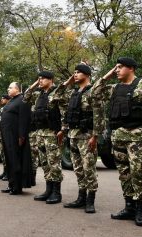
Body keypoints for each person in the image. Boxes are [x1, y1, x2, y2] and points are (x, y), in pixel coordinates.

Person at [92, 57, 142, 226]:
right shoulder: (114, 88)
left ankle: (140, 211)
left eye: (120, 67)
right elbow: (95, 93)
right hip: (118, 137)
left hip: (138, 138)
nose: (117, 70)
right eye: (116, 67)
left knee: (139, 174)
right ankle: (129, 208)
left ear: (131, 68)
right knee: (124, 174)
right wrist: (107, 76)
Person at [52, 64, 99, 213]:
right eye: (74, 73)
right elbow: (55, 97)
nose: (75, 75)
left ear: (87, 74)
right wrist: (68, 82)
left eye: (78, 72)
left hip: (87, 136)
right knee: (78, 168)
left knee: (88, 168)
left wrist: (95, 136)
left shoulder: (92, 92)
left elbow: (99, 115)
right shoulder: (73, 93)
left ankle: (90, 201)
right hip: (73, 135)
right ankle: (81, 198)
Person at [24, 71, 63, 204]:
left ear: (51, 79)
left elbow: (64, 111)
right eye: (38, 79)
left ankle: (56, 193)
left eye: (42, 79)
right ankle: (48, 190)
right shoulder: (38, 94)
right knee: (45, 163)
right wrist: (36, 84)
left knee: (54, 163)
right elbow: (26, 97)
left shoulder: (57, 92)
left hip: (52, 132)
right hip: (40, 133)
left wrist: (63, 129)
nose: (40, 81)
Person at [0, 82, 33, 194]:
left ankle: (17, 187)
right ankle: (11, 184)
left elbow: (24, 119)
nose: (8, 89)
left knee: (16, 160)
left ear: (18, 89)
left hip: (16, 136)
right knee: (9, 160)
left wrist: (21, 136)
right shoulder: (12, 100)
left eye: (10, 87)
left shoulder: (22, 100)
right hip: (7, 134)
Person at [0, 94, 11, 181]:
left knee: (7, 154)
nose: (1, 100)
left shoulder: (10, 107)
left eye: (3, 98)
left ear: (8, 100)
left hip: (7, 133)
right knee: (2, 154)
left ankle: (8, 173)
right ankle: (5, 171)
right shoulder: (2, 109)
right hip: (1, 133)